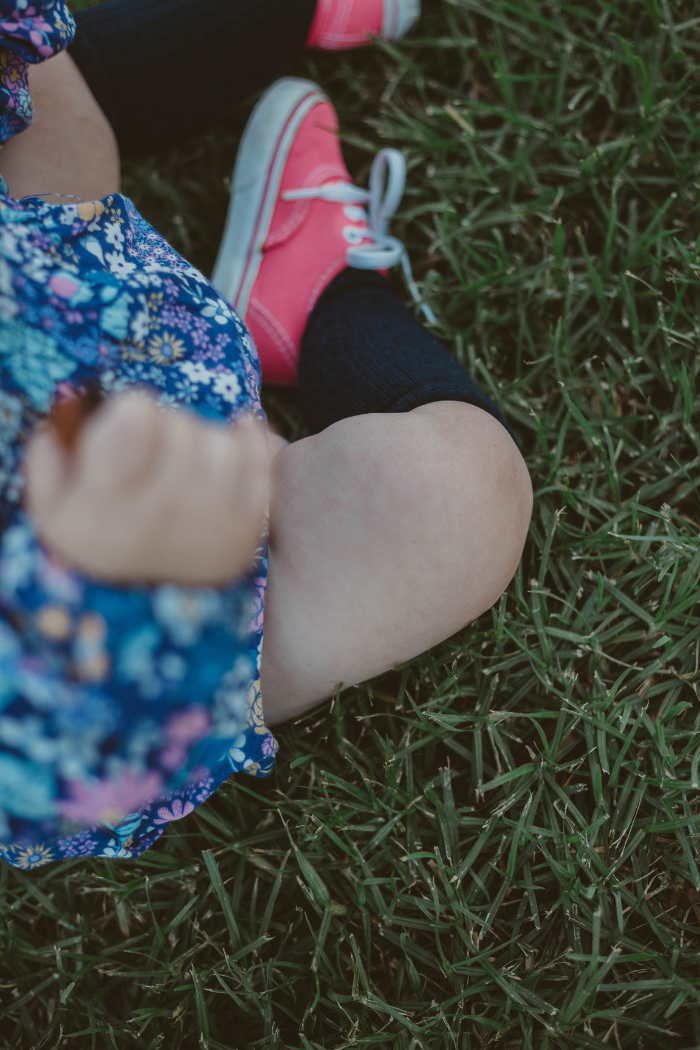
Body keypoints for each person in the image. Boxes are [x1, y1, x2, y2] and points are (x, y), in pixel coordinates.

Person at [0, 0, 532, 869]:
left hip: (55, 261)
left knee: (55, 98)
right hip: (143, 654)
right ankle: (316, 301)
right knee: (459, 497)